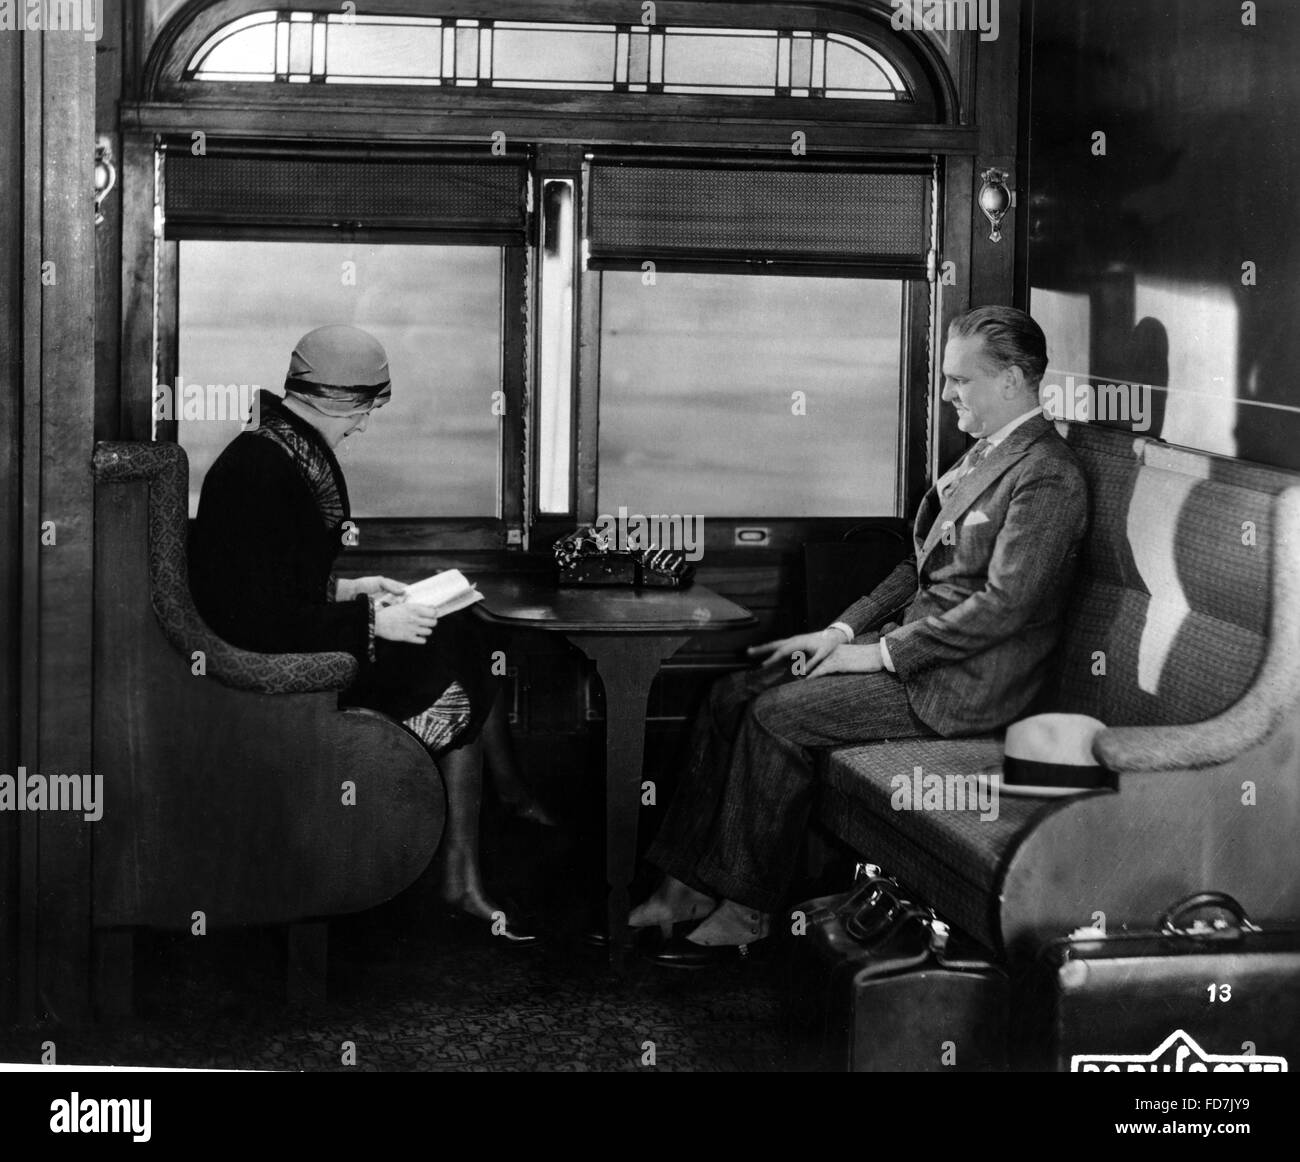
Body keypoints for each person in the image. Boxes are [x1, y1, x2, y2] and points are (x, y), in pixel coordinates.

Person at [631, 306, 1089, 962]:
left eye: (961, 380)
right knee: (730, 694)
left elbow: (1004, 610)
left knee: (774, 717)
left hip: (968, 687)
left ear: (1013, 379)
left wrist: (871, 655)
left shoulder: (1047, 473)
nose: (946, 393)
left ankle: (745, 910)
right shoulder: (987, 455)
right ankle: (681, 890)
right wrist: (838, 630)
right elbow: (915, 567)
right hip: (920, 658)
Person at [188, 324, 550, 945]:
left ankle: (497, 817)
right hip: (267, 668)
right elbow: (247, 619)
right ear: (341, 402)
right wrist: (371, 623)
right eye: (365, 409)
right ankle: (470, 862)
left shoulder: (277, 448)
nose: (364, 426)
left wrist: (352, 590)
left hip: (285, 637)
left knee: (465, 631)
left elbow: (274, 586)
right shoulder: (263, 470)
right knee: (456, 670)